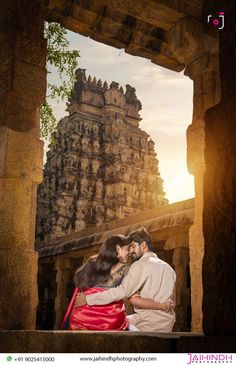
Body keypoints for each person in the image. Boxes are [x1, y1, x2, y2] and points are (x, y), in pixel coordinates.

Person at [62, 233, 172, 331]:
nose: (129, 253)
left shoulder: (93, 262)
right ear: (118, 249)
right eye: (127, 249)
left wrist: (86, 299)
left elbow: (80, 290)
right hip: (108, 321)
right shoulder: (125, 270)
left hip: (80, 319)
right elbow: (134, 300)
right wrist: (163, 306)